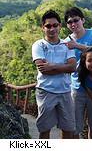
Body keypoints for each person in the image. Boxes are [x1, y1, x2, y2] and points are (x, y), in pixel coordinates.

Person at [32, 10, 76, 139]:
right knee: (44, 129)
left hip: (65, 91)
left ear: (60, 26)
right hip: (46, 91)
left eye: (55, 25)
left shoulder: (67, 45)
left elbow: (73, 67)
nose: (52, 29)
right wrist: (64, 67)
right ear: (43, 28)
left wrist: (52, 66)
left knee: (68, 129)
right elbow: (43, 69)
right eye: (48, 26)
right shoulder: (38, 45)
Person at [64, 7, 92, 139]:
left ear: (83, 20)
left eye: (76, 20)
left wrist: (76, 45)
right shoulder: (66, 42)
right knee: (75, 128)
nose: (73, 24)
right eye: (70, 22)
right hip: (77, 89)